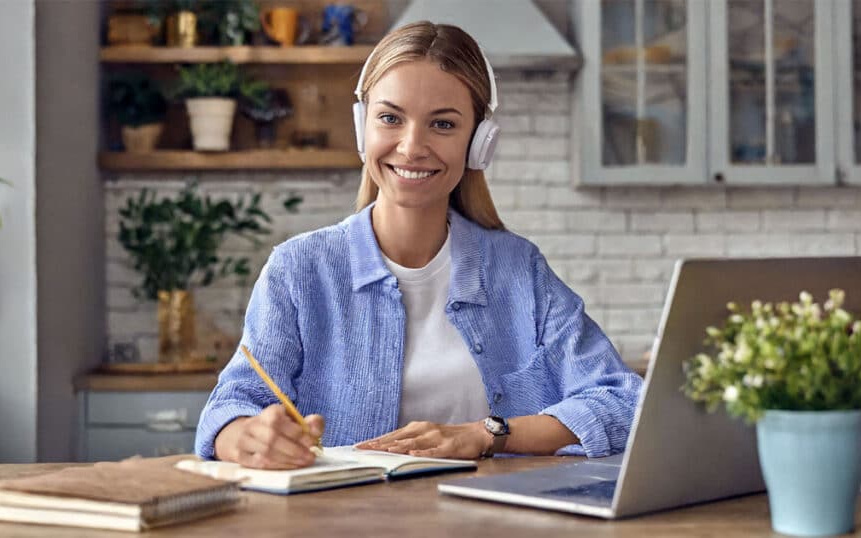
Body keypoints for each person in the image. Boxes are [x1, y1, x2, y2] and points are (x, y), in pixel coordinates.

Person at [195, 21, 643, 470]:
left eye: (443, 124)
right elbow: (228, 411)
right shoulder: (298, 270)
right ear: (361, 127)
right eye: (390, 118)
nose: (412, 147)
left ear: (478, 143)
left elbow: (624, 401)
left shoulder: (518, 269)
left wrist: (487, 434)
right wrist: (250, 438)